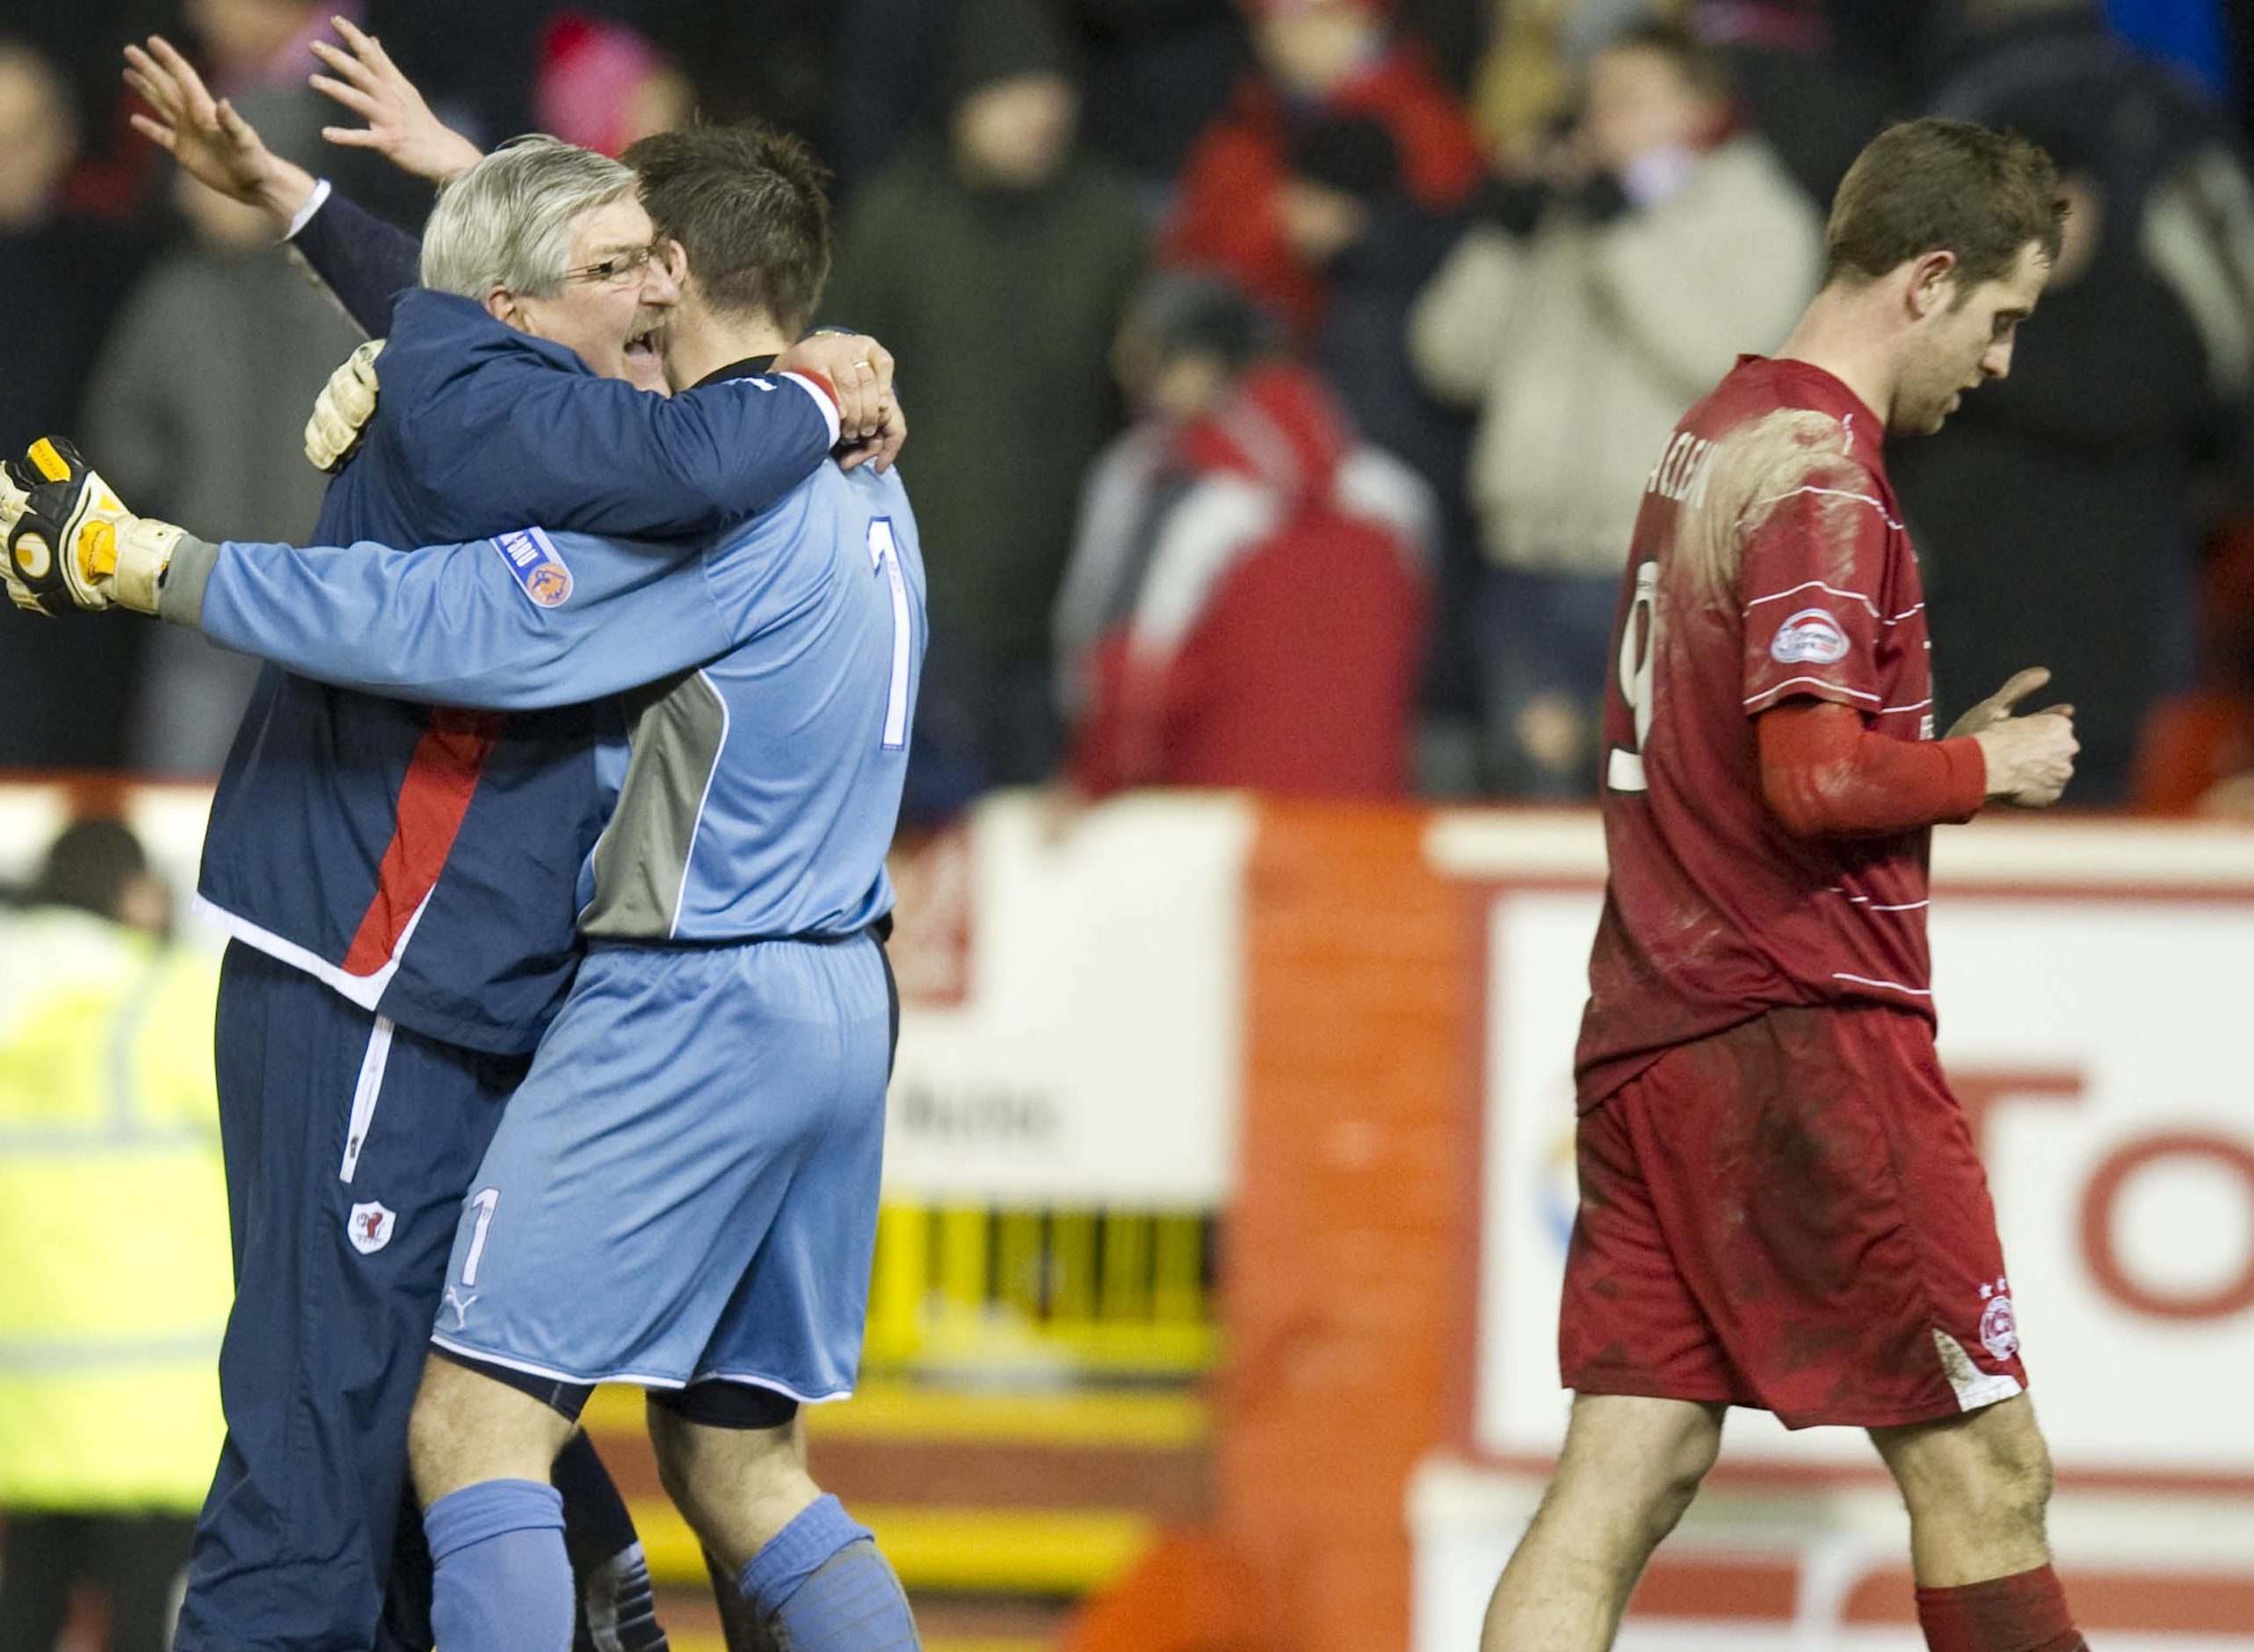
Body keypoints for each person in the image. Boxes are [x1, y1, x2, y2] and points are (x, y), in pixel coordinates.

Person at [3, 118, 930, 1652]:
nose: (633, 301)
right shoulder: (862, 476)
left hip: (677, 993)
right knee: (737, 1464)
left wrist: (152, 560)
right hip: (840, 992)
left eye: (646, 268)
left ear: (679, 279)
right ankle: (597, 1609)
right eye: (604, 268)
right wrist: (408, 295)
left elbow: (457, 620)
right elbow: (502, 329)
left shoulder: (713, 491)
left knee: (466, 1427)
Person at [1484, 118, 2087, 1650]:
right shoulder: (1827, 472)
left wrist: (1920, 753)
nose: (2002, 363)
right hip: (1798, 1032)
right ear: (1929, 279)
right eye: (2002, 318)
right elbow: (1811, 779)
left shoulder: (1713, 434)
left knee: (1628, 1469)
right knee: (1988, 1472)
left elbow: (1756, 741)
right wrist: (1978, 775)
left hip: (1649, 1026)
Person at [1410, 20, 1821, 797]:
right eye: (1593, 96)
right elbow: (1449, 359)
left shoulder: (1759, 216)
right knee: (1529, 802)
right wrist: (1501, 234)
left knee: (1655, 808)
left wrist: (1620, 234)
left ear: (1700, 111)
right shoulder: (1571, 214)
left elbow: (1721, 365)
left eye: (1630, 97)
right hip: (1525, 558)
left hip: (1658, 576)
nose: (1600, 116)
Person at [822, 0, 1148, 817]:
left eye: (1052, 89)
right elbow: (839, 384)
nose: (1041, 112)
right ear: (964, 102)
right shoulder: (897, 219)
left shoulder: (1107, 221)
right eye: (1013, 91)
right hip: (931, 593)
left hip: (1068, 597)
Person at [1055, 271, 1431, 796]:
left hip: (1214, 824)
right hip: (1363, 819)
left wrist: (1089, 781)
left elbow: (1134, 679)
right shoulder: (1395, 500)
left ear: (1200, 365)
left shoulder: (1174, 490)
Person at [0, 819, 228, 1652]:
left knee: (24, 1616)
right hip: (160, 1429)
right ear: (136, 896)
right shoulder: (171, 1002)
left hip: (22, 1429)